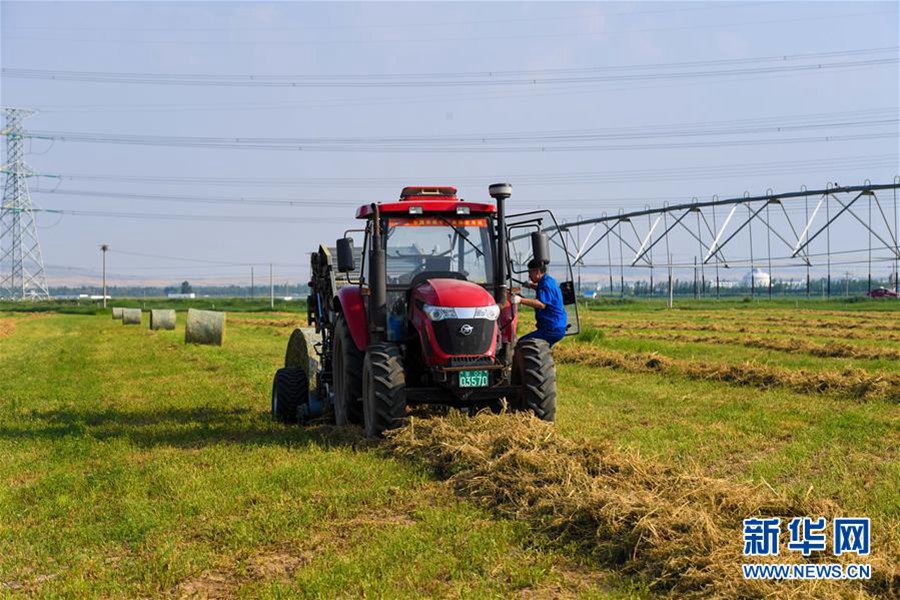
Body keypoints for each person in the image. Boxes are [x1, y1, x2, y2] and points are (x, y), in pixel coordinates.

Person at [511, 258, 567, 346]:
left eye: (530, 272)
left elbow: (541, 304)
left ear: (537, 271)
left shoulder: (546, 284)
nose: (529, 276)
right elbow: (543, 290)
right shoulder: (548, 280)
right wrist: (531, 286)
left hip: (552, 328)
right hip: (555, 326)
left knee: (522, 343)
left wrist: (520, 300)